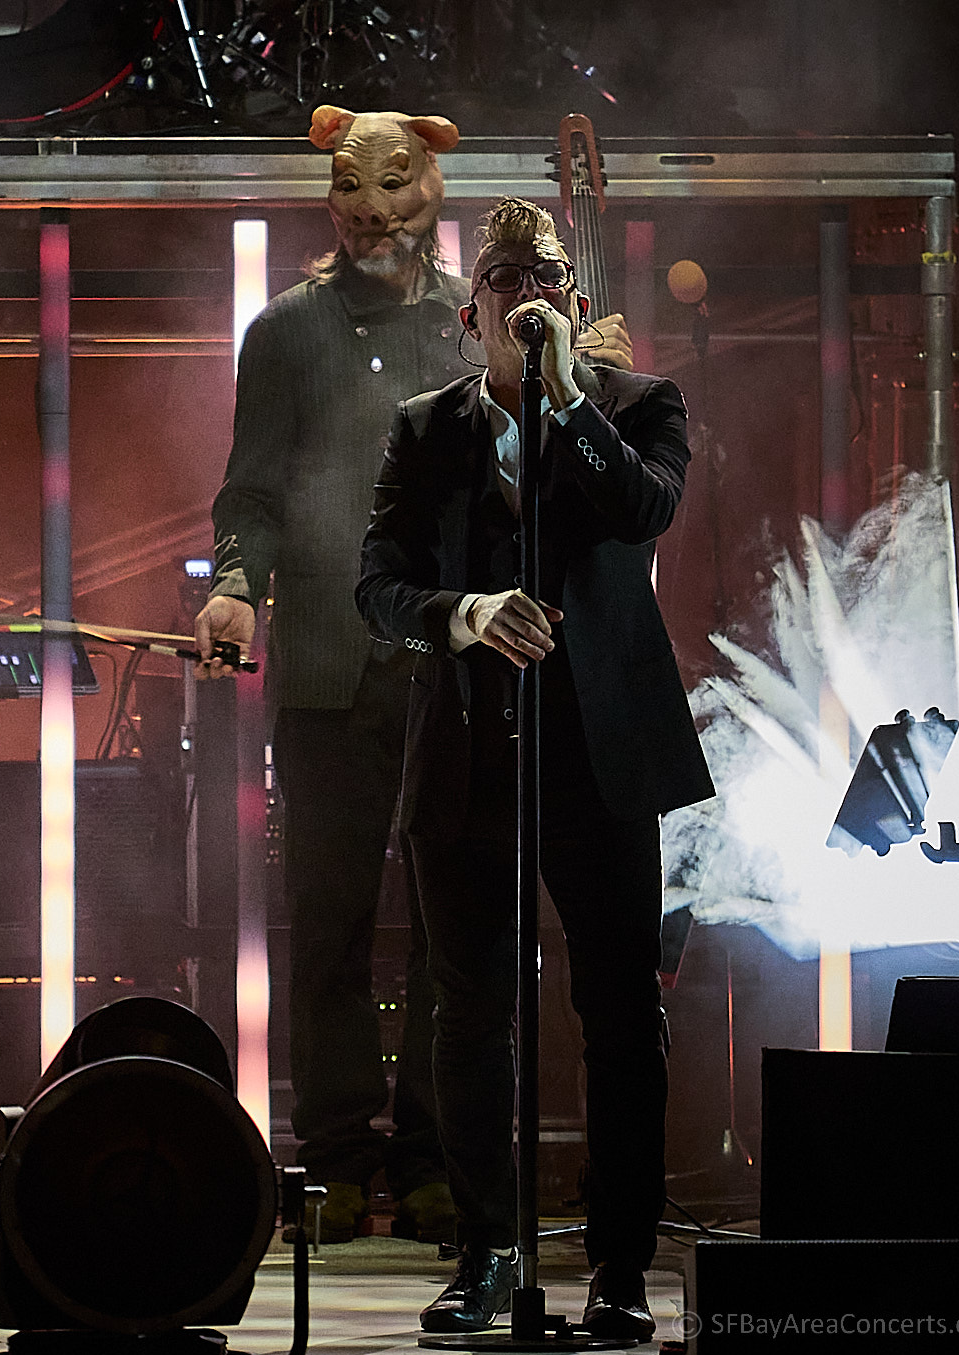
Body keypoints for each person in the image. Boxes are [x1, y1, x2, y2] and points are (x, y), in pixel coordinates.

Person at [195, 107, 632, 1245]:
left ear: (433, 188)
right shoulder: (285, 333)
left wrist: (590, 388)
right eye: (351, 190)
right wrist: (237, 580)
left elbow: (547, 476)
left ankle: (442, 1159)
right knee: (327, 918)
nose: (372, 210)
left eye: (392, 188)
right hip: (329, 671)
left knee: (458, 928)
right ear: (329, 197)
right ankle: (336, 1159)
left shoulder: (476, 320)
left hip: (459, 668)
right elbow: (248, 490)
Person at [356, 197, 713, 1339]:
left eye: (543, 276)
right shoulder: (424, 430)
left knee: (618, 1015)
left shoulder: (639, 408)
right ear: (469, 315)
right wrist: (460, 613)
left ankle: (615, 1265)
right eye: (503, 278)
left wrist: (565, 398)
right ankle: (490, 1252)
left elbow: (643, 508)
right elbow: (375, 587)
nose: (523, 293)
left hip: (601, 757)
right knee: (469, 1016)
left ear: (576, 307)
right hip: (466, 756)